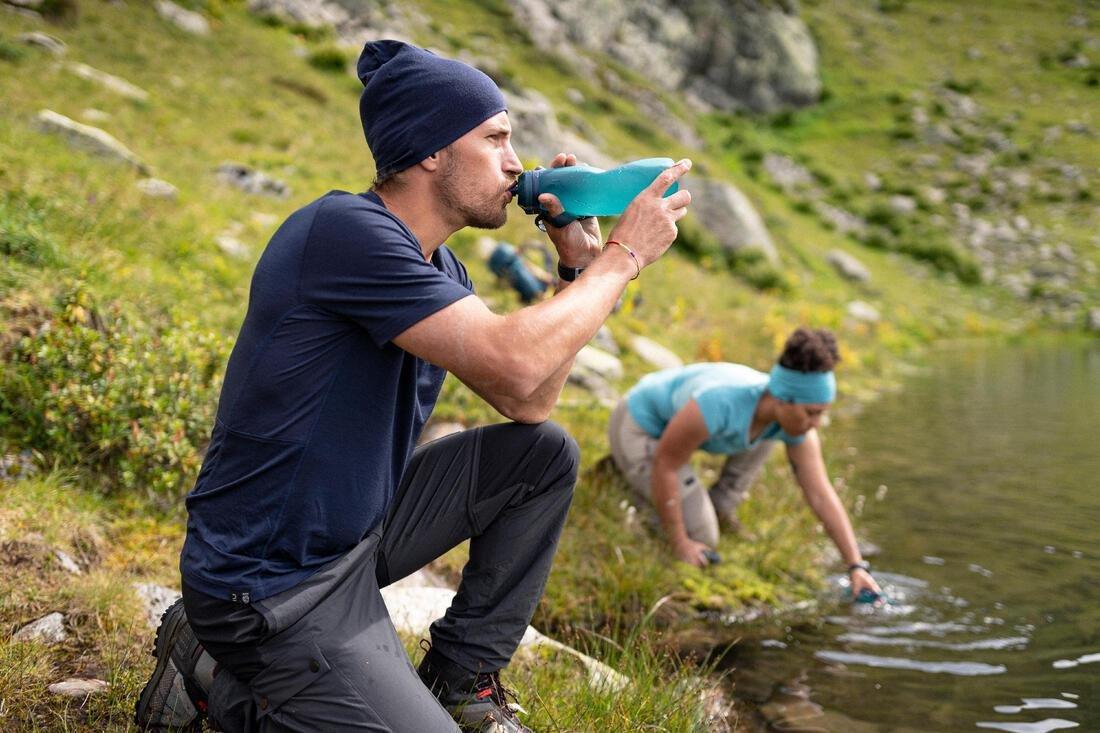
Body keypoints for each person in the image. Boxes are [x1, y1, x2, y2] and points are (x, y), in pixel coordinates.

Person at [133, 40, 692, 732]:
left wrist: (578, 266)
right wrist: (624, 255)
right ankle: (210, 677)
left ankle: (459, 681)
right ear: (430, 149)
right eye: (495, 139)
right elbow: (514, 361)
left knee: (541, 454)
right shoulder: (344, 231)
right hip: (270, 583)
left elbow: (527, 398)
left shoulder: (440, 268)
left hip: (351, 539)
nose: (516, 163)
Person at [608, 328, 881, 599]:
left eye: (821, 413)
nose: (817, 424)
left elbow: (820, 495)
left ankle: (721, 506)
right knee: (703, 537)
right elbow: (666, 464)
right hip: (639, 425)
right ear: (783, 399)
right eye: (811, 413)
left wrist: (855, 566)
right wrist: (680, 543)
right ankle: (618, 474)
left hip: (673, 442)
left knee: (769, 435)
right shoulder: (719, 401)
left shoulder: (791, 422)